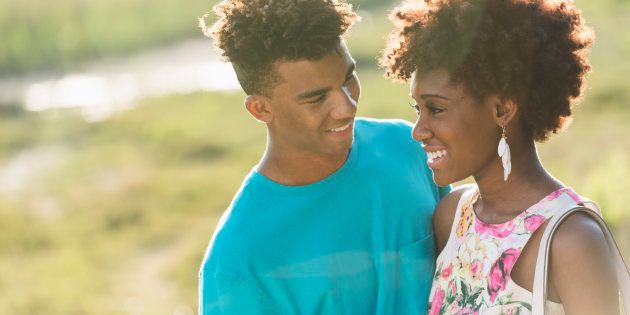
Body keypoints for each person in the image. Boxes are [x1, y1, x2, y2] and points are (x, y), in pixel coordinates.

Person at [198, 0, 449, 313]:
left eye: (347, 80)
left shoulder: (408, 148)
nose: (346, 107)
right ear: (261, 109)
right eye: (316, 99)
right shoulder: (238, 262)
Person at [380, 0, 620, 314]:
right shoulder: (453, 217)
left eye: (436, 109)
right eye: (418, 110)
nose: (419, 130)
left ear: (502, 110)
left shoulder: (572, 240)